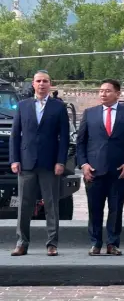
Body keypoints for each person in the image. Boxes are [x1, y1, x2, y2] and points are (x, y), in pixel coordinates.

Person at [76, 79, 124, 256]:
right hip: (94, 171)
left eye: (107, 91)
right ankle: (95, 243)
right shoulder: (90, 114)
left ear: (117, 94)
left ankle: (113, 243)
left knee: (116, 208)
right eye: (101, 91)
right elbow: (80, 143)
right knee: (94, 209)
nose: (103, 94)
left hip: (119, 171)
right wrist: (84, 165)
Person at [9, 70, 70, 256]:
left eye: (45, 81)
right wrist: (14, 159)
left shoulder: (59, 107)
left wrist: (61, 161)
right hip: (26, 163)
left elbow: (64, 138)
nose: (42, 84)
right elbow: (15, 135)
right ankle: (22, 242)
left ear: (50, 84)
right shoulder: (22, 106)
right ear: (33, 84)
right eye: (38, 81)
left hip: (50, 164)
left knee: (51, 205)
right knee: (24, 205)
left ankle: (52, 243)